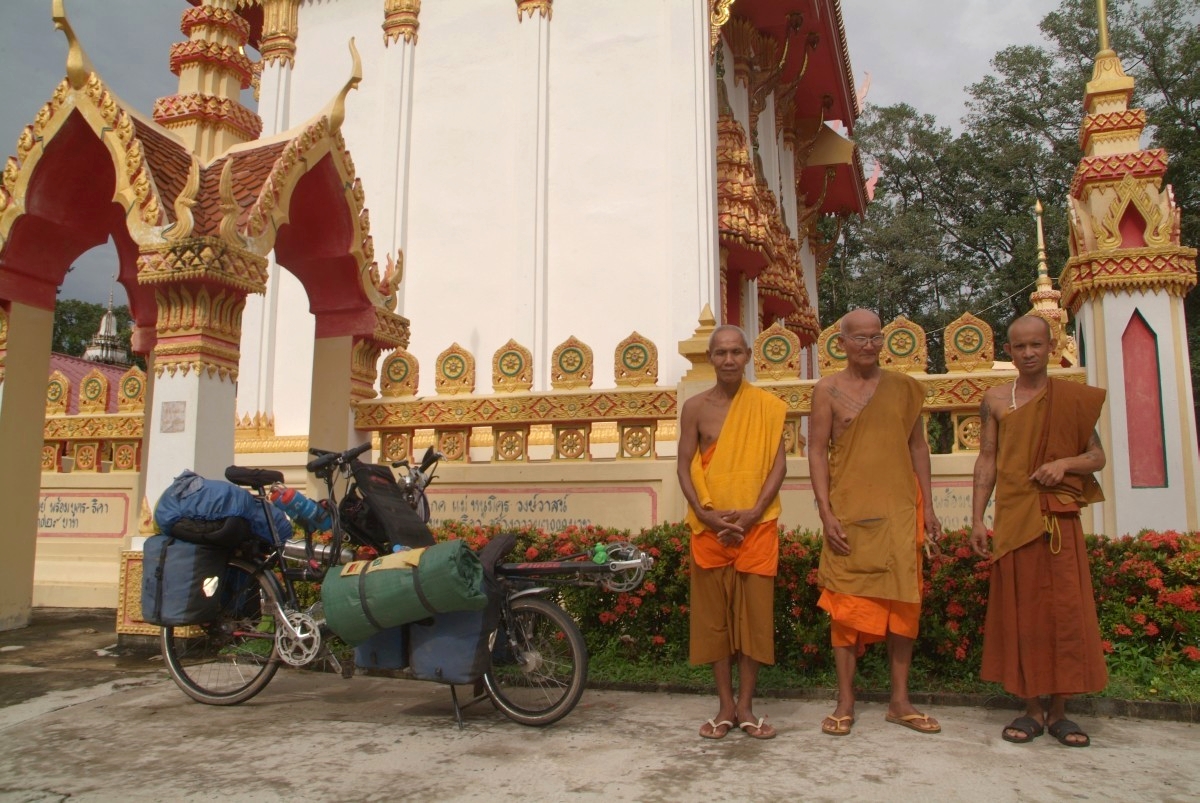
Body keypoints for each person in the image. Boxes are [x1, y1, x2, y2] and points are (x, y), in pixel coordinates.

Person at [971, 315, 1108, 747]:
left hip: (1060, 517)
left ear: (1052, 346)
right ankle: (1032, 709)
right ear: (1008, 352)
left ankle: (1062, 711)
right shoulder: (995, 399)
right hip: (1016, 519)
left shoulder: (1070, 399)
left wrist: (1063, 464)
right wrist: (977, 517)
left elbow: (1097, 457)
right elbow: (988, 460)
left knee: (1065, 612)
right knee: (1023, 613)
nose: (1028, 353)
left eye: (1036, 345)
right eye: (1019, 347)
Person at [809, 309, 943, 737]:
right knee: (846, 610)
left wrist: (930, 507)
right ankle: (845, 700)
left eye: (875, 338)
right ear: (841, 343)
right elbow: (815, 452)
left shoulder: (904, 389)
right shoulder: (827, 390)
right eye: (859, 338)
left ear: (883, 341)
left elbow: (918, 448)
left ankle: (899, 701)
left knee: (904, 606)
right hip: (850, 514)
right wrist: (825, 512)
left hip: (901, 512)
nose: (868, 345)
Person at [678, 324, 787, 740]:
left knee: (754, 620)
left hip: (756, 528)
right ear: (711, 357)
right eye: (720, 353)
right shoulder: (695, 408)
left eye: (735, 352)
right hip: (710, 529)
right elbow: (684, 465)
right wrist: (706, 516)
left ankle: (746, 706)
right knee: (715, 622)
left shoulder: (768, 406)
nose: (728, 360)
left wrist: (755, 511)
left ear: (747, 356)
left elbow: (779, 465)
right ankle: (724, 705)